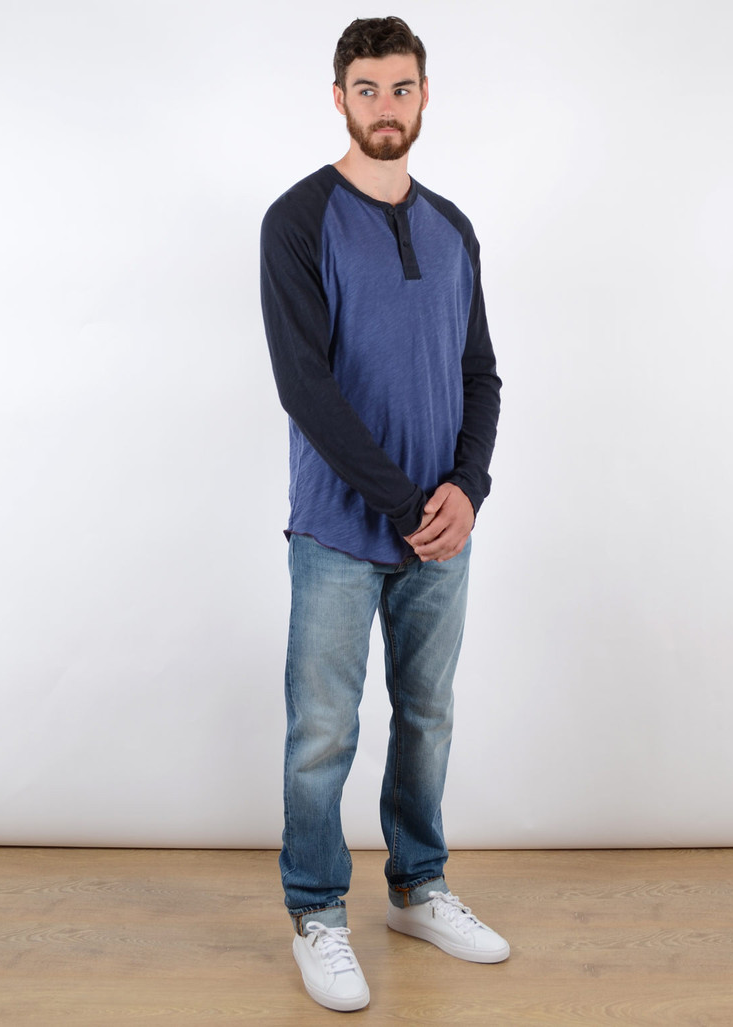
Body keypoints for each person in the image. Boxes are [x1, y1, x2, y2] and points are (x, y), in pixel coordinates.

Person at [260, 15, 507, 1013]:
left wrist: (467, 489)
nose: (385, 106)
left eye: (401, 87)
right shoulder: (297, 220)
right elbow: (305, 387)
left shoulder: (452, 227)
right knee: (322, 730)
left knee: (428, 717)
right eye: (366, 89)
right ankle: (318, 912)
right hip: (337, 531)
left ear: (424, 94)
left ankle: (417, 887)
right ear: (338, 98)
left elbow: (480, 374)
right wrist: (406, 502)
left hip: (441, 533)